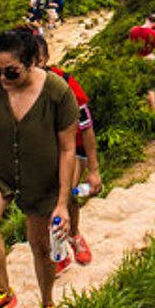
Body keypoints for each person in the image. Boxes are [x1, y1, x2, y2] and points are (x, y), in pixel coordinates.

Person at [0, 26, 78, 308]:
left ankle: (48, 302)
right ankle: (4, 291)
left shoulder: (57, 93)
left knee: (40, 245)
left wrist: (62, 201)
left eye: (11, 72)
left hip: (41, 175)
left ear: (32, 63)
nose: (2, 79)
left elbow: (67, 149)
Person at [43, 49, 100, 268]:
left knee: (65, 194)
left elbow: (86, 128)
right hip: (46, 150)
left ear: (45, 58)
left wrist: (93, 170)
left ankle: (74, 236)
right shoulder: (20, 87)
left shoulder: (66, 83)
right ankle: (60, 252)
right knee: (48, 201)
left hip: (74, 149)